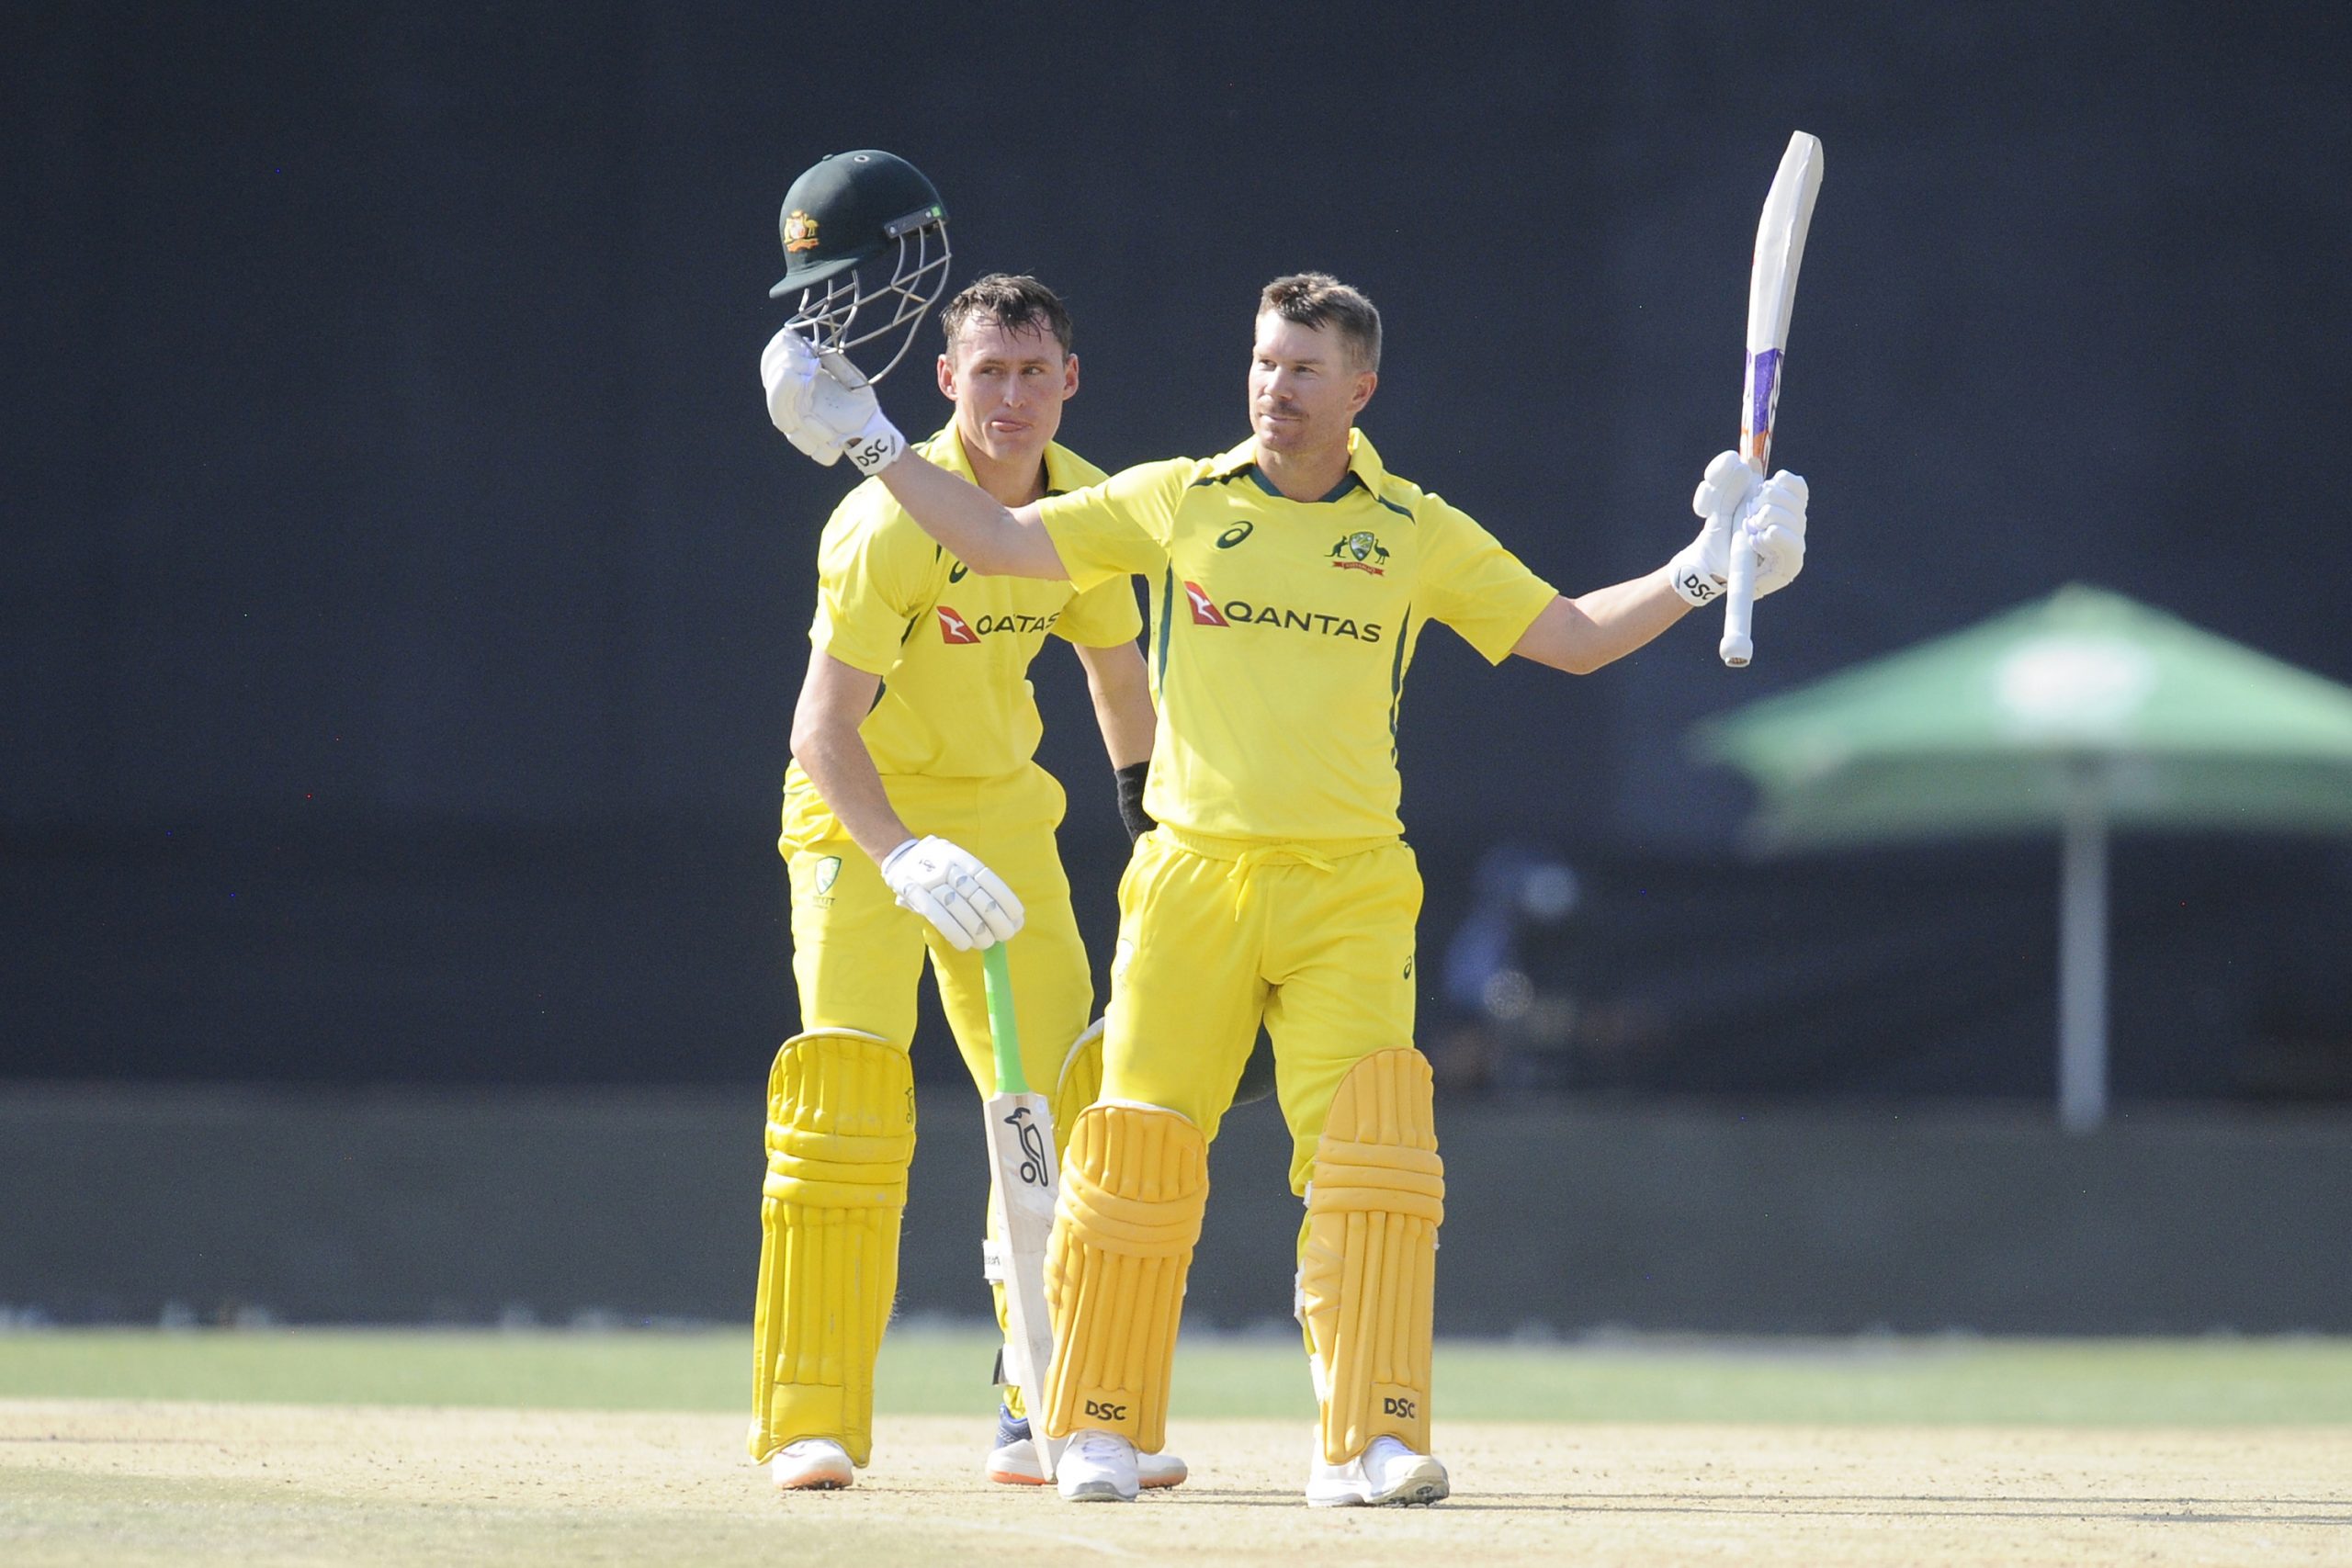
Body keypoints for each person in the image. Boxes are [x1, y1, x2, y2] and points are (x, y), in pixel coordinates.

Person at [763, 273, 1808, 1506]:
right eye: (1264, 364)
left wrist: (1701, 567)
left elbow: (1570, 635)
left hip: (1351, 886)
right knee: (1131, 1147)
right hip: (1186, 878)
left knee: (1372, 1154)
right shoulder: (1178, 500)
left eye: (1305, 370)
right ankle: (1081, 1424)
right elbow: (993, 538)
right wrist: (874, 439)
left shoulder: (1413, 528)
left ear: (1359, 391)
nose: (1276, 389)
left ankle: (1367, 1440)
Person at [749, 272, 1189, 1494]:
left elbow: (1118, 681)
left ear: (1069, 382)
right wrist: (897, 852)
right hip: (858, 823)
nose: (1010, 397)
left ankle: (1040, 1407)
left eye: (1031, 372)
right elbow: (821, 731)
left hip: (1002, 820)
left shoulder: (1086, 509)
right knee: (846, 1090)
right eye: (986, 373)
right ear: (946, 383)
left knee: (1049, 1109)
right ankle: (808, 1419)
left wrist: (1153, 842)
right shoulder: (885, 522)